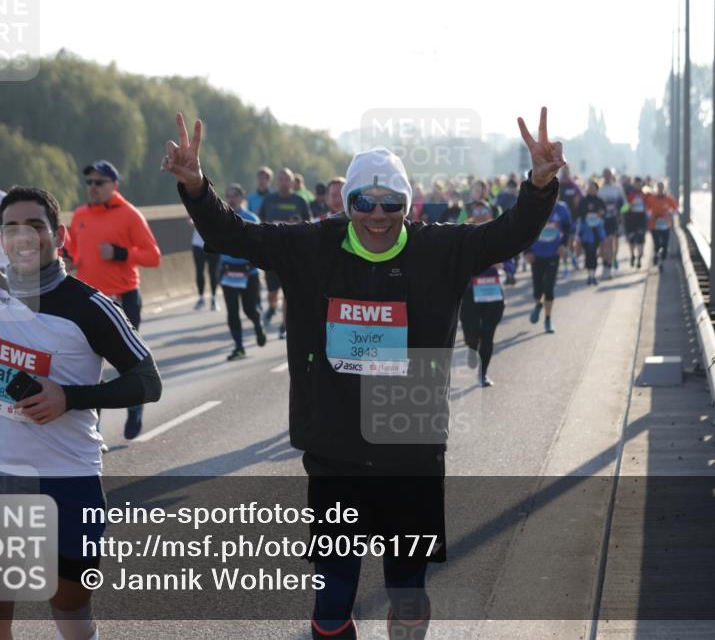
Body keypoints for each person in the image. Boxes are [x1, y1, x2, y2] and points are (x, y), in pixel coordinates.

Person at [163, 107, 564, 640]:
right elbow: (234, 235)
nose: (378, 214)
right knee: (332, 601)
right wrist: (195, 186)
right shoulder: (311, 246)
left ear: (407, 203)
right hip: (335, 452)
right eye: (364, 202)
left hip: (410, 446)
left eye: (391, 203)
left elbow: (509, 234)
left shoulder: (439, 249)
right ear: (347, 202)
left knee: (408, 591)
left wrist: (538, 185)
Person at [0, 171, 162, 640]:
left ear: (57, 236)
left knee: (71, 610)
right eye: (12, 227)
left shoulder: (90, 306)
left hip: (70, 476)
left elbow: (147, 381)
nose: (23, 235)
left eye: (35, 225)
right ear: (0, 239)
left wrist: (71, 398)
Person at [64, 160, 162, 439]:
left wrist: (120, 254)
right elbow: (71, 253)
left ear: (113, 185)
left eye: (99, 182)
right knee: (88, 368)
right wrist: (67, 261)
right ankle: (94, 430)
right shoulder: (80, 215)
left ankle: (135, 408)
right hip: (89, 302)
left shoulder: (130, 215)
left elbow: (153, 256)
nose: (93, 187)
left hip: (123, 299)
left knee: (126, 365)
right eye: (90, 183)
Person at [258, 167, 311, 340]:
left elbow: (309, 224)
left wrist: (296, 225)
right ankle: (273, 307)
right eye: (280, 179)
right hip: (272, 253)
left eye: (287, 179)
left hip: (293, 254)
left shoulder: (300, 201)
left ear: (292, 181)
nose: (284, 182)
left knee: (289, 292)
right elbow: (260, 222)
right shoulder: (269, 200)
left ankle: (284, 325)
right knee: (273, 292)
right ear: (277, 181)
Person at [459, 200, 507, 386]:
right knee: (472, 333)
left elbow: (511, 260)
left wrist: (502, 264)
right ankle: (471, 347)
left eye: (483, 209)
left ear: (489, 212)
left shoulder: (498, 233)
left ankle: (483, 374)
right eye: (476, 209)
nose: (480, 212)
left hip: (492, 291)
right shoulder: (462, 233)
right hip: (470, 292)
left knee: (488, 334)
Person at [218, 183, 267, 360]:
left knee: (249, 310)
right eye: (228, 196)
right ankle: (239, 347)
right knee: (232, 312)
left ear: (241, 198)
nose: (231, 199)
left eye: (234, 196)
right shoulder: (221, 217)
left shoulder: (251, 217)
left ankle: (258, 323)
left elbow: (259, 243)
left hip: (248, 272)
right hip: (228, 271)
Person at [525, 188, 573, 333]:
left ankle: (547, 319)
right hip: (536, 254)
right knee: (537, 288)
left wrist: (563, 245)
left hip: (553, 253)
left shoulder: (562, 209)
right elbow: (525, 229)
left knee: (549, 286)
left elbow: (568, 227)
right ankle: (538, 305)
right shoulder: (534, 207)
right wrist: (527, 251)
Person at [577, 180, 607, 286]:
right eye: (589, 188)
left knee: (593, 252)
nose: (591, 190)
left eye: (593, 188)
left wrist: (599, 214)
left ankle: (593, 275)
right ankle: (589, 274)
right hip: (586, 231)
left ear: (596, 189)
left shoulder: (600, 201)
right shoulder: (583, 201)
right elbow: (579, 213)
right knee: (588, 252)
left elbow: (604, 212)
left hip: (597, 231)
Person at [597, 168, 625, 278]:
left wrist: (619, 214)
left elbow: (625, 205)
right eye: (605, 175)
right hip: (602, 221)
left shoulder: (617, 188)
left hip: (614, 220)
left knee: (611, 243)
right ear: (603, 176)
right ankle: (605, 264)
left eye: (609, 175)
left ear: (612, 175)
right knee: (603, 245)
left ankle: (608, 267)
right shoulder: (600, 189)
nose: (607, 177)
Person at [190, 216, 220, 310]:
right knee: (199, 271)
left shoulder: (216, 205)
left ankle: (214, 298)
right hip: (198, 245)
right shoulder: (195, 203)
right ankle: (201, 298)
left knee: (213, 272)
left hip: (213, 244)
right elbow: (190, 219)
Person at [646, 181, 679, 267]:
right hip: (654, 225)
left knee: (665, 244)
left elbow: (675, 209)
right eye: (658, 188)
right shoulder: (651, 199)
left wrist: (669, 213)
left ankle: (662, 261)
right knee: (657, 243)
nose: (660, 190)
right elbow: (647, 210)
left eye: (661, 188)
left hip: (666, 225)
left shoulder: (669, 199)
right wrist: (651, 214)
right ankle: (656, 255)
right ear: (656, 188)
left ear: (664, 188)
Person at [621, 178, 649, 269]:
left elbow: (649, 207)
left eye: (639, 184)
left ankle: (639, 258)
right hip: (631, 220)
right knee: (632, 240)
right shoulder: (630, 195)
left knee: (640, 239)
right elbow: (623, 209)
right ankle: (632, 255)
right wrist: (630, 205)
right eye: (636, 184)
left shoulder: (645, 195)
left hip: (641, 220)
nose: (638, 186)